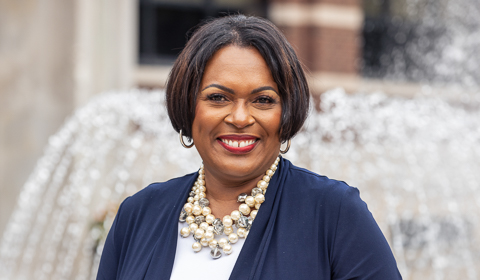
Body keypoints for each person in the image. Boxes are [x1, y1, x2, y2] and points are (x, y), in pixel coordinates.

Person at [97, 15, 402, 279]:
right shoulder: (138, 214)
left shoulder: (334, 213)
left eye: (263, 100)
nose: (240, 118)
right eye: (218, 97)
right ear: (188, 107)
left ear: (286, 113)